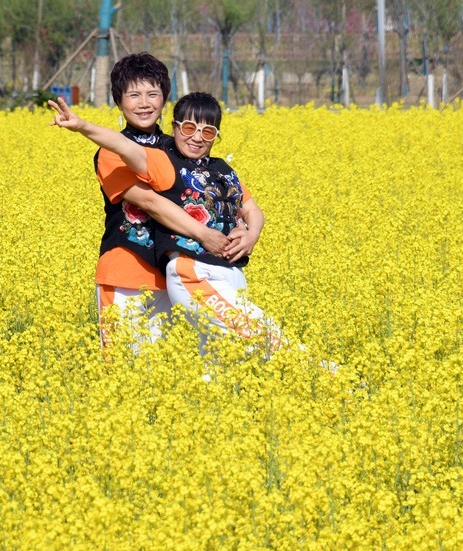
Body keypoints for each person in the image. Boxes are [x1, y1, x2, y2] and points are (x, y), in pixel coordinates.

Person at [50, 91, 286, 355]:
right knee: (263, 336)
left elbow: (251, 208)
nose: (197, 137)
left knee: (221, 357)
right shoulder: (166, 162)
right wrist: (82, 126)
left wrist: (251, 234)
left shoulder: (221, 169)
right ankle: (312, 366)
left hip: (229, 271)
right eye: (189, 128)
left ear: (216, 136)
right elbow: (123, 146)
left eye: (208, 132)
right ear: (175, 127)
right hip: (193, 271)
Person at [89, 54, 236, 348]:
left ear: (165, 99)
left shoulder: (180, 145)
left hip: (172, 278)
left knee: (164, 365)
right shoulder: (112, 152)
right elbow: (150, 203)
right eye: (134, 95)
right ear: (119, 101)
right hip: (125, 274)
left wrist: (243, 227)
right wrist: (205, 235)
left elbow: (216, 192)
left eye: (152, 94)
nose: (144, 103)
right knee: (121, 366)